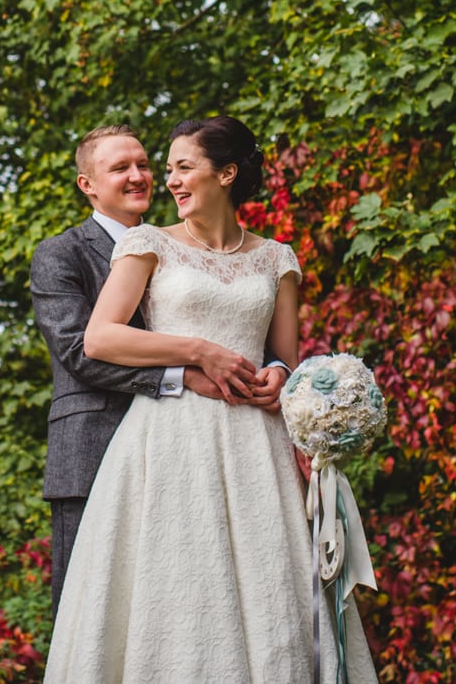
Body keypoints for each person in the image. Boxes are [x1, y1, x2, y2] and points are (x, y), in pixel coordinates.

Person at [43, 116, 377, 683]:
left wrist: (278, 376)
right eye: (165, 168)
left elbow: (284, 357)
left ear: (226, 173)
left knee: (268, 580)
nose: (166, 180)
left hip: (256, 442)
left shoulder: (277, 259)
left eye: (179, 167)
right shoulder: (147, 243)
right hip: (173, 434)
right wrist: (199, 351)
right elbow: (99, 338)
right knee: (179, 578)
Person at [30, 124, 265, 613]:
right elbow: (79, 350)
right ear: (87, 185)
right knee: (91, 611)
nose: (138, 176)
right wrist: (182, 374)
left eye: (143, 165)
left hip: (182, 449)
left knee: (169, 604)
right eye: (120, 168)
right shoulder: (61, 253)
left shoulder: (177, 245)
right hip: (94, 445)